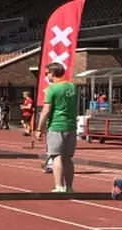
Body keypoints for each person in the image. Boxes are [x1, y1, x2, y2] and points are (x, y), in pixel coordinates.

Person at [36, 61, 78, 193]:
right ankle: (69, 187)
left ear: (52, 73)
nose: (46, 75)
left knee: (56, 156)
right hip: (71, 126)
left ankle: (59, 186)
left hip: (56, 125)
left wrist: (39, 129)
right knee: (67, 158)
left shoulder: (52, 89)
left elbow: (46, 110)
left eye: (46, 73)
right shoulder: (72, 87)